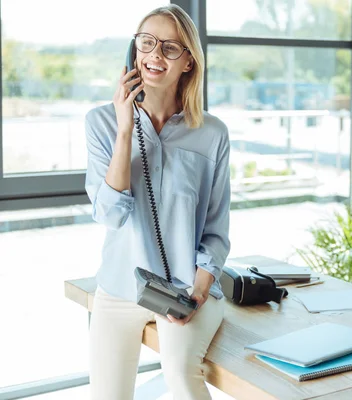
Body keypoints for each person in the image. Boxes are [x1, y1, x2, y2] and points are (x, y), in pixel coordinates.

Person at [83, 4, 230, 400]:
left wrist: (198, 291)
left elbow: (216, 232)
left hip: (186, 288)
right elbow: (110, 215)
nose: (154, 55)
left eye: (169, 48)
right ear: (134, 50)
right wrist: (125, 129)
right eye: (146, 42)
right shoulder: (101, 122)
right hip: (118, 289)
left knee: (182, 377)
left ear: (188, 62)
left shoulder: (212, 133)